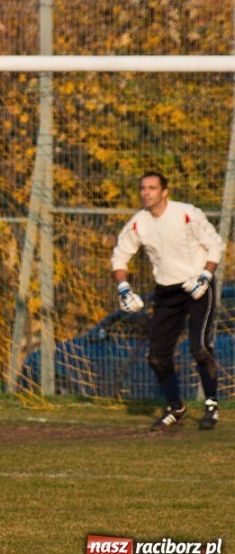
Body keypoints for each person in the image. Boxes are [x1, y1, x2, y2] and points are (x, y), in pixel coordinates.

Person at [111, 172, 227, 431]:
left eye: (152, 188)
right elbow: (120, 257)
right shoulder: (139, 222)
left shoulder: (186, 214)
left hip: (197, 286)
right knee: (156, 356)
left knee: (200, 347)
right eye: (143, 188)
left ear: (165, 192)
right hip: (166, 292)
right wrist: (124, 288)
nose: (146, 192)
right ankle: (176, 407)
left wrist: (205, 276)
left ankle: (211, 405)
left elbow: (215, 245)